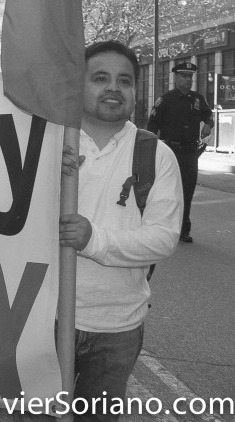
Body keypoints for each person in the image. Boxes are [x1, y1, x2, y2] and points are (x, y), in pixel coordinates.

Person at [59, 41, 181, 419]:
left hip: (116, 329)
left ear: (134, 91)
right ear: (78, 84)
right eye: (100, 78)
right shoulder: (48, 144)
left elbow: (163, 238)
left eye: (124, 81)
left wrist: (94, 239)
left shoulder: (155, 154)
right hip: (42, 320)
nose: (113, 88)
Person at [146, 61, 213, 243]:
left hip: (190, 152)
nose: (188, 79)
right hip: (170, 151)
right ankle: (164, 225)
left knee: (187, 191)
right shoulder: (166, 99)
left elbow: (209, 114)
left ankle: (183, 229)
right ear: (176, 77)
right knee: (167, 191)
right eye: (184, 76)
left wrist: (208, 125)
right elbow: (152, 126)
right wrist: (150, 149)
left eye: (190, 76)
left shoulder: (197, 99)